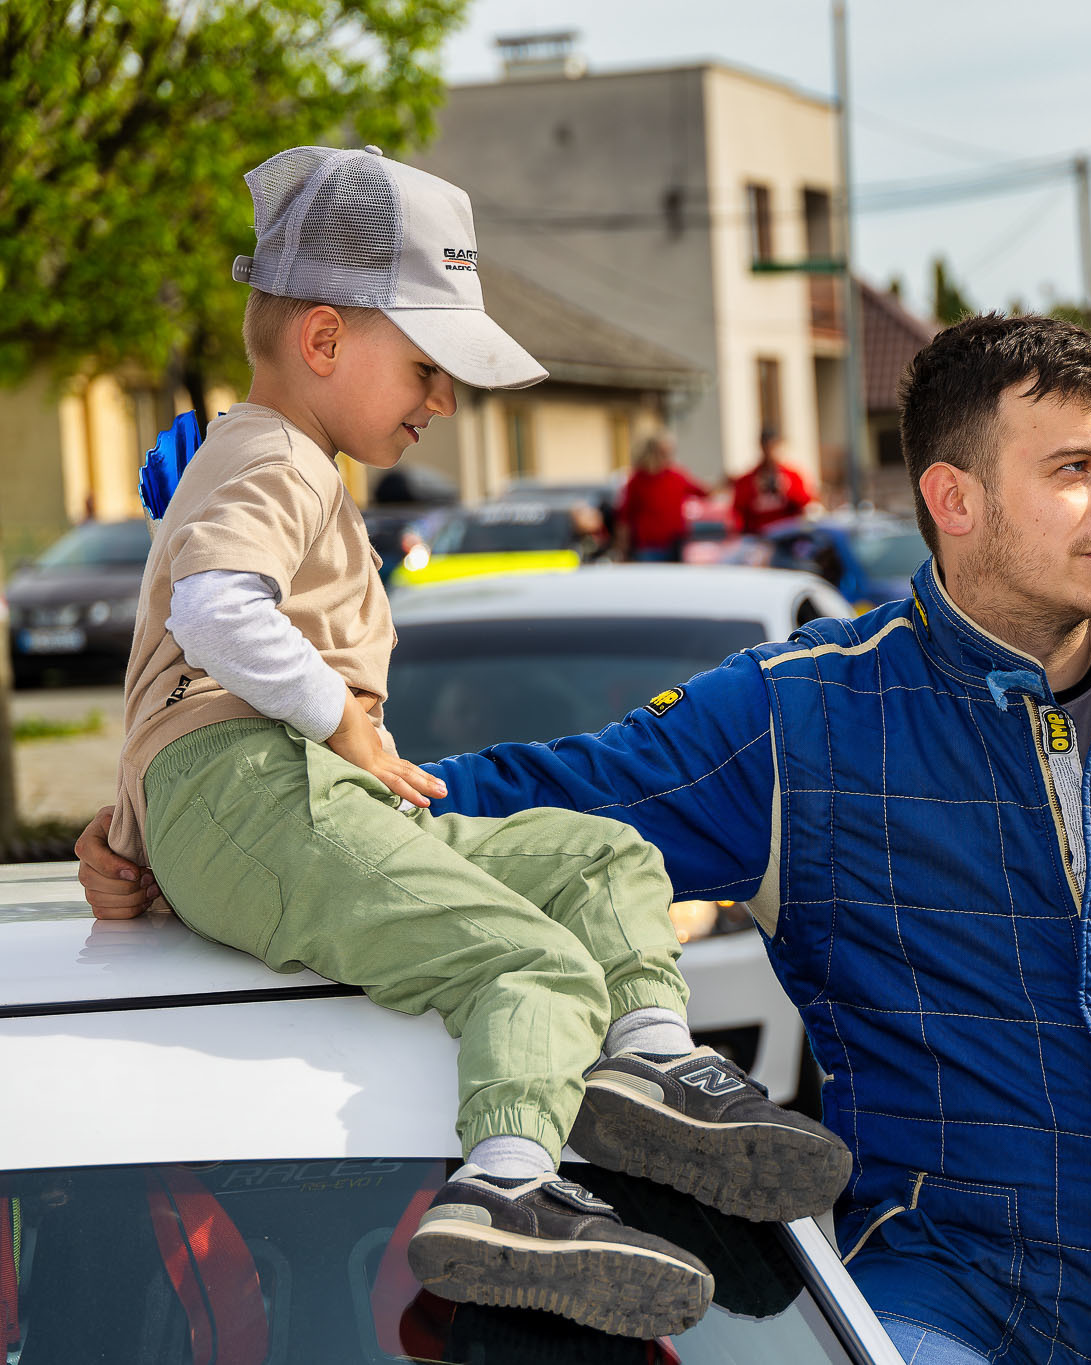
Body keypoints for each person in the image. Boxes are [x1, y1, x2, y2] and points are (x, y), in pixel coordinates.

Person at [84, 313, 1091, 1365]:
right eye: (1075, 470)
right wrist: (227, 822)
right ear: (955, 500)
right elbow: (533, 801)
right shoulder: (803, 715)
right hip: (937, 1304)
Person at [101, 145, 847, 1339]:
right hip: (266, 787)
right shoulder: (267, 451)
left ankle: (647, 1060)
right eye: (426, 366)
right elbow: (213, 613)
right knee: (533, 962)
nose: (442, 401)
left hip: (284, 797)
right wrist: (341, 721)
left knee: (602, 858)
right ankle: (504, 1184)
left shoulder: (287, 466)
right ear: (324, 339)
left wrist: (135, 826)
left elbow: (170, 678)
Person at [617, 433, 706, 561]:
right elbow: (625, 518)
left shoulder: (676, 476)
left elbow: (703, 492)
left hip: (675, 544)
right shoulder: (637, 481)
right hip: (648, 547)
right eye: (662, 453)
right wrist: (623, 549)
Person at [728, 426, 818, 535]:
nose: (770, 452)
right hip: (758, 535)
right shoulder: (747, 480)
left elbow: (806, 504)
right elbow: (737, 511)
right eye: (766, 447)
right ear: (761, 447)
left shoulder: (792, 476)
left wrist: (787, 490)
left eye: (773, 447)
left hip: (788, 533)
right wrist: (754, 491)